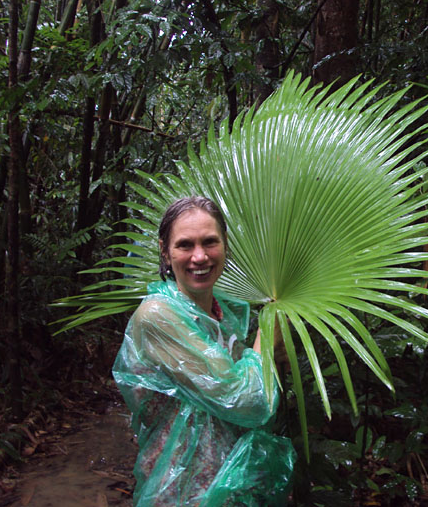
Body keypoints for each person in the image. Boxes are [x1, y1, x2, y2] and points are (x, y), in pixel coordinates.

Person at [113, 196, 295, 507]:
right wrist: (266, 336)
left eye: (210, 242)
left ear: (225, 245)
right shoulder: (158, 316)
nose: (200, 256)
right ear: (165, 252)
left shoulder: (222, 312)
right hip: (179, 491)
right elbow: (247, 401)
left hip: (230, 485)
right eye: (185, 245)